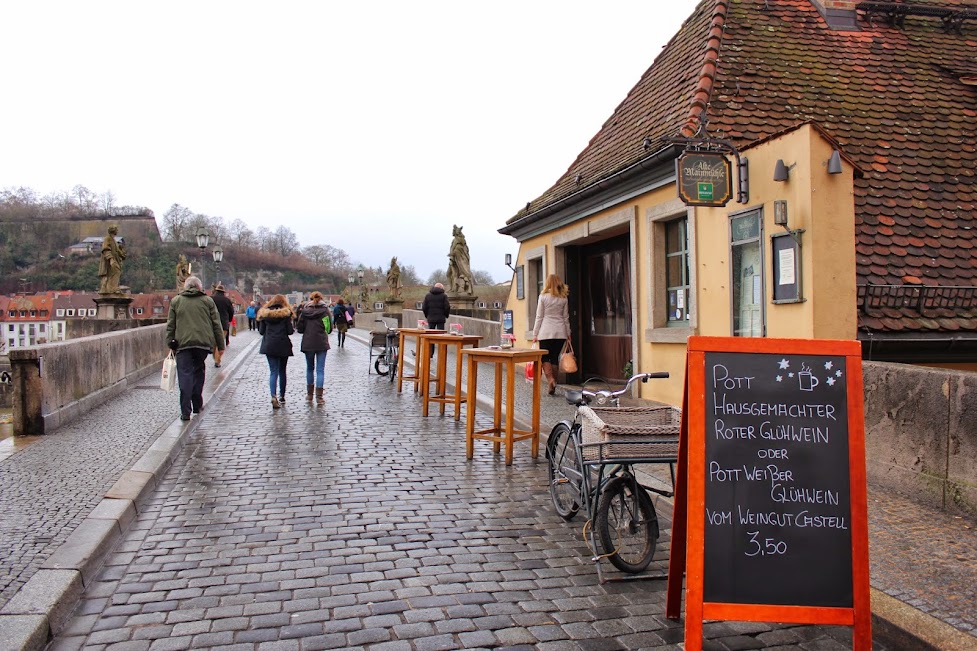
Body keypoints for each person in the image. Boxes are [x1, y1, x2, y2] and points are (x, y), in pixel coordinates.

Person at [165, 276, 225, 421]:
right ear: (199, 287)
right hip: (202, 344)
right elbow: (216, 324)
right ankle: (197, 404)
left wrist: (170, 343)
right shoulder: (207, 301)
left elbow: (170, 325)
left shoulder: (176, 301)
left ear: (186, 287)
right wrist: (220, 345)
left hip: (183, 344)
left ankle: (185, 411)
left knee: (185, 374)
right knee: (198, 372)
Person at [532, 273, 571, 396]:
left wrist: (535, 333)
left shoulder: (543, 297)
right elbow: (566, 317)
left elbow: (539, 316)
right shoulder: (563, 298)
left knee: (544, 357)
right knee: (554, 357)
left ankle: (550, 380)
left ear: (548, 283)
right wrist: (568, 333)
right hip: (560, 332)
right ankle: (555, 382)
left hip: (545, 331)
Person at [257, 294, 294, 409]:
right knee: (282, 371)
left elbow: (261, 332)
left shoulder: (265, 314)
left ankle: (273, 395)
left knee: (273, 371)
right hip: (283, 344)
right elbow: (290, 331)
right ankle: (282, 395)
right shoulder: (286, 314)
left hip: (269, 345)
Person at [296, 291, 331, 405]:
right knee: (320, 370)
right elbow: (328, 328)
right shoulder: (325, 311)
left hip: (308, 343)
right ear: (321, 298)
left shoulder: (305, 311)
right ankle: (319, 397)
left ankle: (309, 395)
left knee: (310, 368)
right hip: (321, 342)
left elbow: (300, 328)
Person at [422, 282, 450, 358]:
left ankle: (430, 353)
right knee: (441, 336)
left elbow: (424, 307)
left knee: (431, 336)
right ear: (441, 288)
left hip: (431, 318)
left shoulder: (428, 296)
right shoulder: (444, 296)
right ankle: (442, 354)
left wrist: (427, 315)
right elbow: (447, 307)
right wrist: (446, 315)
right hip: (441, 318)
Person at [210, 283, 235, 366]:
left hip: (212, 323)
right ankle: (217, 360)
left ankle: (215, 358)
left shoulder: (211, 299)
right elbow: (231, 312)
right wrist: (229, 320)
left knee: (214, 342)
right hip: (224, 324)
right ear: (223, 292)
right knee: (220, 342)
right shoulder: (227, 300)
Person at [98, 225, 127, 295]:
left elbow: (121, 254)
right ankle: (112, 289)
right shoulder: (107, 239)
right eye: (116, 229)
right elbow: (106, 249)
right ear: (113, 230)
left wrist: (122, 250)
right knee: (114, 272)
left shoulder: (114, 241)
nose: (117, 231)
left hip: (116, 260)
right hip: (110, 261)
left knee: (117, 272)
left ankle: (113, 288)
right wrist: (111, 259)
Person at [446, 224, 473, 295]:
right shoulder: (456, 240)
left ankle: (455, 288)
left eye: (453, 231)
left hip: (458, 261)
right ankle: (452, 288)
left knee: (458, 274)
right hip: (454, 260)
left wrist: (452, 254)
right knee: (449, 274)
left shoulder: (458, 241)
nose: (452, 232)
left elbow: (460, 252)